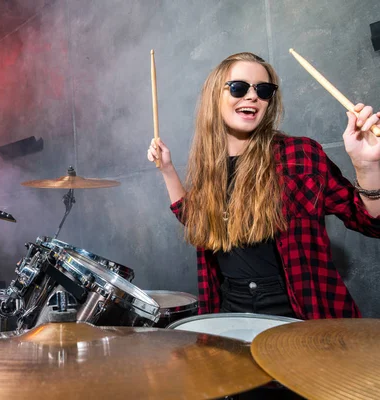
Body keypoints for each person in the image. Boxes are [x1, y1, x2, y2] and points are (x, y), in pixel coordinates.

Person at [148, 52, 380, 320]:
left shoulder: (300, 155)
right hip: (229, 312)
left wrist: (367, 167)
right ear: (214, 96)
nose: (252, 96)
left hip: (301, 316)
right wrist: (167, 170)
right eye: (238, 87)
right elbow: (199, 221)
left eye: (263, 89)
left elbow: (370, 223)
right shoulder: (210, 166)